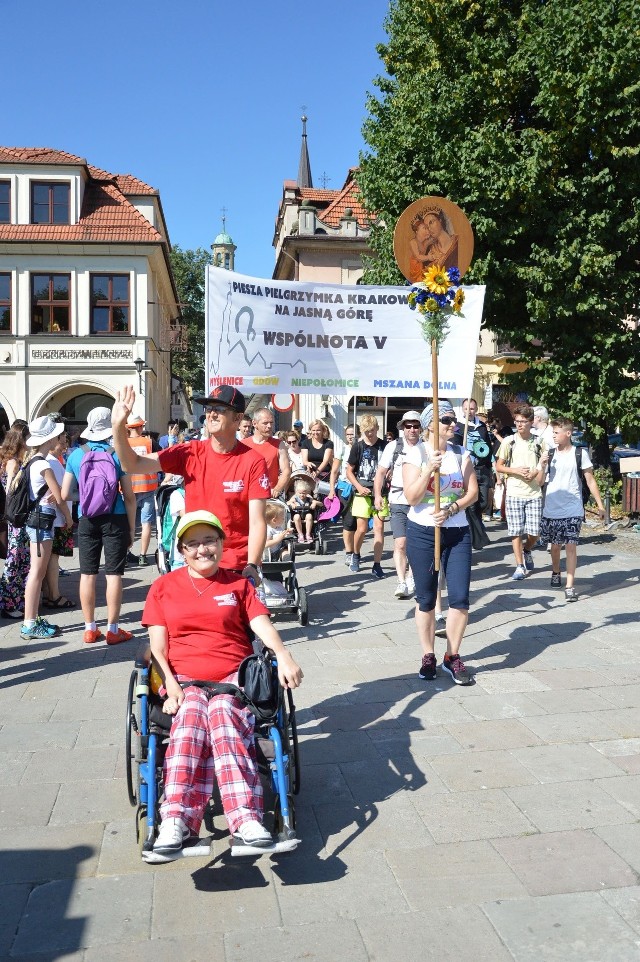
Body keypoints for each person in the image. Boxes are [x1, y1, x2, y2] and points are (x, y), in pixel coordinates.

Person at [141, 510, 303, 863]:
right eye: (194, 544)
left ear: (221, 544)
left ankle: (245, 820)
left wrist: (284, 655)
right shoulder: (163, 588)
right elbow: (157, 648)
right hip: (183, 680)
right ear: (181, 550)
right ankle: (175, 820)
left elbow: (261, 626)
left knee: (221, 713)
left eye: (210, 541)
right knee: (191, 718)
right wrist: (170, 684)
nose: (203, 549)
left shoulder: (238, 584)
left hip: (233, 679)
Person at [111, 384, 270, 583]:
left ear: (237, 418)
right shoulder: (189, 452)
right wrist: (118, 426)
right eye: (209, 409)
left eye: (220, 410)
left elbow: (257, 521)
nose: (211, 415)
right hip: (197, 562)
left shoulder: (253, 461)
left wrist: (252, 564)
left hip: (236, 566)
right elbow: (131, 464)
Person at [402, 401, 478, 685]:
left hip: (457, 531)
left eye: (453, 419)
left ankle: (452, 656)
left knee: (459, 598)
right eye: (446, 420)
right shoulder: (415, 454)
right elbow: (411, 497)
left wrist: (452, 508)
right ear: (431, 424)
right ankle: (428, 655)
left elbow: (472, 493)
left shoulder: (461, 454)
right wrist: (427, 470)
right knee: (426, 598)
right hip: (423, 530)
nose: (452, 424)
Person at [61, 406, 136, 645]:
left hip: (87, 518)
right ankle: (113, 629)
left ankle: (89, 628)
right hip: (116, 517)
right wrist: (132, 529)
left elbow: (65, 493)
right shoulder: (118, 454)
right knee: (114, 574)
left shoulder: (75, 455)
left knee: (87, 574)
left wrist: (86, 496)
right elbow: (131, 497)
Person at [19, 417, 73, 640]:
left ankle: (31, 620)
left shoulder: (32, 461)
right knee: (37, 572)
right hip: (43, 521)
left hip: (37, 520)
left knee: (37, 572)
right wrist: (69, 518)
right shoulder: (44, 464)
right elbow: (60, 496)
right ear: (49, 438)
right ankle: (29, 623)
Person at [540, 417, 605, 602]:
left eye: (556, 432)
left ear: (568, 433)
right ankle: (555, 571)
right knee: (554, 547)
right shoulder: (549, 454)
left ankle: (569, 586)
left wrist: (600, 505)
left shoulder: (579, 453)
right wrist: (542, 465)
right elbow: (538, 483)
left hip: (573, 508)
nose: (553, 436)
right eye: (552, 432)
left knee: (570, 546)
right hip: (551, 508)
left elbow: (590, 479)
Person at [373, 411, 422, 598]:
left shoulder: (425, 448)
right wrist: (377, 496)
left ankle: (412, 577)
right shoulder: (393, 447)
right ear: (402, 428)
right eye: (408, 426)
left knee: (415, 544)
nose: (412, 430)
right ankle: (401, 581)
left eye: (416, 426)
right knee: (400, 543)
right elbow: (380, 472)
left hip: (419, 502)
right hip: (397, 500)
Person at [495, 403, 547, 581]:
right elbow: (499, 466)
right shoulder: (509, 441)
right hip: (514, 492)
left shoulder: (539, 442)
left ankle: (527, 550)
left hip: (533, 493)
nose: (519, 425)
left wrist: (536, 472)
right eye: (517, 421)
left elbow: (545, 464)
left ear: (531, 422)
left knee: (535, 532)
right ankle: (519, 566)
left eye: (523, 421)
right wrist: (515, 470)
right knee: (515, 531)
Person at [346, 414, 386, 577]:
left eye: (372, 430)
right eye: (366, 431)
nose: (370, 434)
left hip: (381, 493)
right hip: (362, 491)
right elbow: (349, 471)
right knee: (361, 528)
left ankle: (377, 564)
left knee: (379, 528)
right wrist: (359, 487)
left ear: (377, 429)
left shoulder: (385, 445)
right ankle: (355, 554)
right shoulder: (358, 446)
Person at [0, 425, 31, 619]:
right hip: (16, 519)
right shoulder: (12, 463)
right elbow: (10, 490)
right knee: (16, 560)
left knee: (18, 559)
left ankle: (13, 601)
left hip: (13, 517)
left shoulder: (9, 460)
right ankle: (9, 603)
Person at [43, 429, 75, 610]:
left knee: (51, 558)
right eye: (62, 442)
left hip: (55, 518)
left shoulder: (52, 462)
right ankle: (54, 595)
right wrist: (68, 517)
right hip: (57, 519)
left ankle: (49, 593)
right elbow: (59, 495)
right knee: (53, 559)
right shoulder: (52, 463)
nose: (65, 446)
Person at [454, 398, 495, 523]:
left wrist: (492, 466)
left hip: (483, 468)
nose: (469, 412)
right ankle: (472, 529)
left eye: (471, 409)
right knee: (471, 502)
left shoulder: (481, 426)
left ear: (476, 409)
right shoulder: (458, 426)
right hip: (467, 468)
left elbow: (488, 446)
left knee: (482, 503)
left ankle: (475, 522)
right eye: (466, 409)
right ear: (462, 409)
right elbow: (456, 447)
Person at [126, 414, 159, 566]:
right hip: (148, 487)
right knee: (146, 523)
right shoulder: (149, 442)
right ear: (140, 427)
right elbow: (162, 458)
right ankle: (142, 556)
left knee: (128, 523)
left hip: (128, 489)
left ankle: (125, 554)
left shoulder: (123, 444)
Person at [242, 407, 291, 501]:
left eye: (271, 423)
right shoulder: (243, 445)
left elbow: (286, 471)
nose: (269, 426)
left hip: (269, 496)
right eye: (265, 423)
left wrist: (277, 489)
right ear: (254, 423)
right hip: (247, 496)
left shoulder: (279, 445)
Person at [329, 423, 359, 566]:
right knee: (348, 522)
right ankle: (349, 552)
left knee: (360, 524)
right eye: (348, 434)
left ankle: (356, 551)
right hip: (345, 488)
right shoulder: (342, 449)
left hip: (361, 488)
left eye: (353, 433)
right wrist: (331, 489)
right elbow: (334, 471)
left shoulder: (362, 447)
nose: (350, 436)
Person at [287, 472, 320, 544]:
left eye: (304, 493)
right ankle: (300, 534)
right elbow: (287, 503)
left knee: (309, 516)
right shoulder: (295, 497)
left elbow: (320, 504)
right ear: (297, 492)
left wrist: (314, 503)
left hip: (307, 514)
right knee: (296, 517)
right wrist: (292, 503)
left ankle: (308, 534)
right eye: (300, 493)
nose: (302, 495)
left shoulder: (308, 497)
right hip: (297, 514)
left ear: (307, 492)